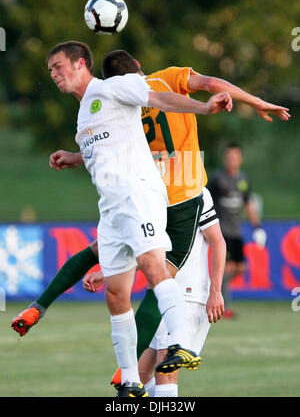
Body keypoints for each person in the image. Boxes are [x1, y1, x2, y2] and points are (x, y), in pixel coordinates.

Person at [12, 50, 290, 389]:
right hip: (180, 196)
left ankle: (97, 347)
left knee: (108, 263)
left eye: (58, 67)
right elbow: (210, 83)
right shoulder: (158, 81)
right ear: (138, 70)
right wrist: (255, 101)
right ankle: (158, 355)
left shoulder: (113, 99)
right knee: (159, 273)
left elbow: (114, 146)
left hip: (140, 198)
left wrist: (73, 157)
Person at [84, 186, 225, 397]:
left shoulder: (195, 191)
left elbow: (218, 241)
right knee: (137, 378)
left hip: (188, 294)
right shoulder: (152, 193)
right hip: (163, 298)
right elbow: (151, 254)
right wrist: (107, 273)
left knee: (165, 373)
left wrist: (215, 291)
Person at [208, 143, 267, 318]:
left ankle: (213, 289)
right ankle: (224, 306)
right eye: (229, 156)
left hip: (236, 231)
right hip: (221, 230)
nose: (232, 160)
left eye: (235, 156)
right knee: (227, 267)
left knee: (240, 268)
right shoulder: (217, 178)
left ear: (240, 159)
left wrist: (257, 227)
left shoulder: (244, 179)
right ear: (225, 159)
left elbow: (248, 204)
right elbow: (207, 201)